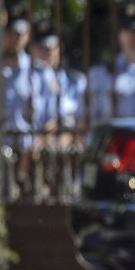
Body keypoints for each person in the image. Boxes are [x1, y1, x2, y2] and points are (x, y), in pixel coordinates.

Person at [28, 18, 88, 201]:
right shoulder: (27, 78)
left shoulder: (75, 81)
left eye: (51, 47)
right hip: (33, 145)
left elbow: (78, 119)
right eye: (42, 47)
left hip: (66, 145)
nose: (47, 52)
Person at [1, 6, 34, 200]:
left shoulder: (34, 71)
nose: (16, 38)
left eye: (20, 34)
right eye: (12, 33)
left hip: (26, 150)